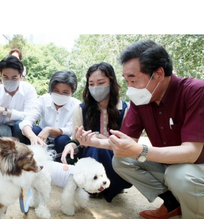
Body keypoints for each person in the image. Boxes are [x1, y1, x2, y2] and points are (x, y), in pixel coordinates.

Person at [75, 39, 204, 219]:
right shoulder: (141, 99)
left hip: (197, 165)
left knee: (179, 175)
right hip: (171, 165)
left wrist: (141, 151)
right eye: (126, 80)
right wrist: (92, 141)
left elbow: (191, 153)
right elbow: (125, 144)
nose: (130, 87)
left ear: (158, 74)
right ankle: (172, 203)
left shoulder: (196, 91)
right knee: (121, 160)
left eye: (133, 79)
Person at [60, 62, 132, 202]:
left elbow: (128, 142)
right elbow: (76, 139)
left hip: (116, 157)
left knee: (101, 148)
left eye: (101, 82)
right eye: (91, 84)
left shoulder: (125, 109)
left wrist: (102, 141)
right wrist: (71, 145)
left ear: (111, 82)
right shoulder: (81, 109)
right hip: (90, 156)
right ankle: (93, 186)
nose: (95, 88)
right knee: (92, 147)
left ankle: (111, 185)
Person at [17, 70, 80, 162]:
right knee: (31, 129)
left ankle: (59, 165)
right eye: (56, 91)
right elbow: (27, 121)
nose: (60, 95)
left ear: (72, 92)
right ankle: (27, 161)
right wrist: (32, 137)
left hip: (61, 143)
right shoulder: (43, 99)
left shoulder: (77, 106)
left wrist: (49, 129)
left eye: (65, 92)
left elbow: (70, 130)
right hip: (41, 139)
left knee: (63, 139)